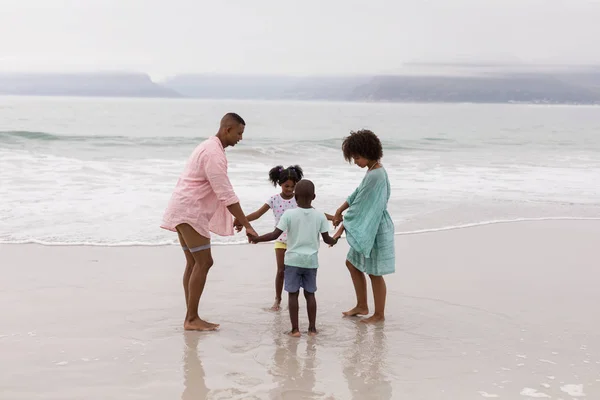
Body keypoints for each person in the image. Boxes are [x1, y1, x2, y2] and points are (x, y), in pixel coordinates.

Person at [161, 112, 257, 331]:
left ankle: (191, 315)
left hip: (183, 208)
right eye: (239, 133)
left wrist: (239, 218)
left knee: (194, 263)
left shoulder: (209, 146)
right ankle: (192, 318)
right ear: (227, 129)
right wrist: (247, 224)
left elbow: (221, 192)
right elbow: (225, 192)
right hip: (190, 212)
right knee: (204, 262)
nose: (241, 138)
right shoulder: (213, 153)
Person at [249, 180, 338, 336]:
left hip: (292, 261)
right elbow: (327, 239)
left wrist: (257, 239)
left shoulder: (289, 214)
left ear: (295, 197)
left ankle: (295, 329)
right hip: (311, 262)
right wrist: (335, 240)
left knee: (293, 294)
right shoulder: (320, 216)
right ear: (314, 197)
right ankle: (312, 329)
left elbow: (274, 235)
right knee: (310, 294)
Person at [332, 129, 395, 324]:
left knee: (375, 272)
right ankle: (362, 305)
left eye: (357, 158)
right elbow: (357, 194)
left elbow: (361, 207)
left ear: (369, 152)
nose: (356, 162)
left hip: (374, 227)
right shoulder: (372, 170)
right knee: (352, 263)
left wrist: (341, 226)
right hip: (369, 224)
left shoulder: (376, 175)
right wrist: (339, 210)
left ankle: (379, 314)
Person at [233, 165, 304, 311]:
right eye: (286, 186)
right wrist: (240, 220)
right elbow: (257, 214)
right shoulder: (273, 200)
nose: (290, 189)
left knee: (295, 271)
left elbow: (314, 213)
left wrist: (335, 217)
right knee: (280, 271)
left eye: (293, 186)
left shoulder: (299, 199)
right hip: (280, 240)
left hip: (297, 241)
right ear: (280, 184)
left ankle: (294, 299)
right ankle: (277, 300)